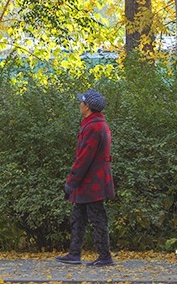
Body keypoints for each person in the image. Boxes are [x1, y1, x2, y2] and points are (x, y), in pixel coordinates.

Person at [55, 88, 115, 266]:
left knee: (97, 218)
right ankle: (75, 253)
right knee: (78, 216)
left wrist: (71, 181)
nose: (79, 105)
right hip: (92, 181)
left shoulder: (93, 127)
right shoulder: (97, 124)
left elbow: (84, 158)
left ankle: (104, 256)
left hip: (91, 182)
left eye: (82, 102)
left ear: (87, 106)